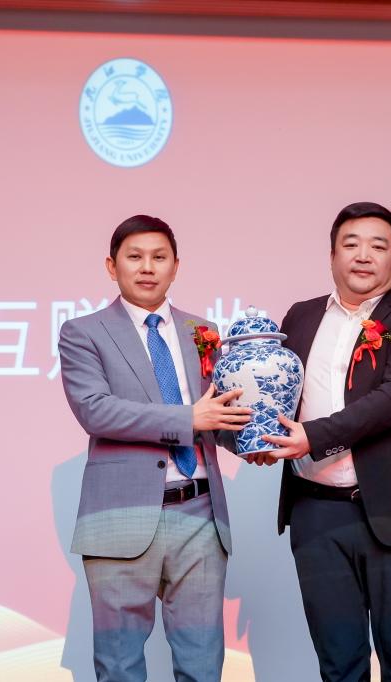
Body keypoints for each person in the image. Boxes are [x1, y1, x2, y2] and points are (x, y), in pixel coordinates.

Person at [261, 201, 391, 682]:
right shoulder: (301, 316)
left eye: (377, 246)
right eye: (351, 244)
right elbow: (277, 392)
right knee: (339, 667)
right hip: (316, 513)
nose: (363, 255)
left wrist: (313, 437)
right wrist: (249, 436)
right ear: (332, 256)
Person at [58, 214, 251, 682]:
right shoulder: (83, 332)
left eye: (159, 257)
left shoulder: (203, 330)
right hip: (120, 516)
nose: (147, 267)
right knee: (119, 666)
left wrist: (255, 442)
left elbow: (215, 414)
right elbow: (96, 411)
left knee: (203, 666)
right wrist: (189, 419)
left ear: (175, 266)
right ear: (112, 266)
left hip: (200, 515)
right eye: (135, 257)